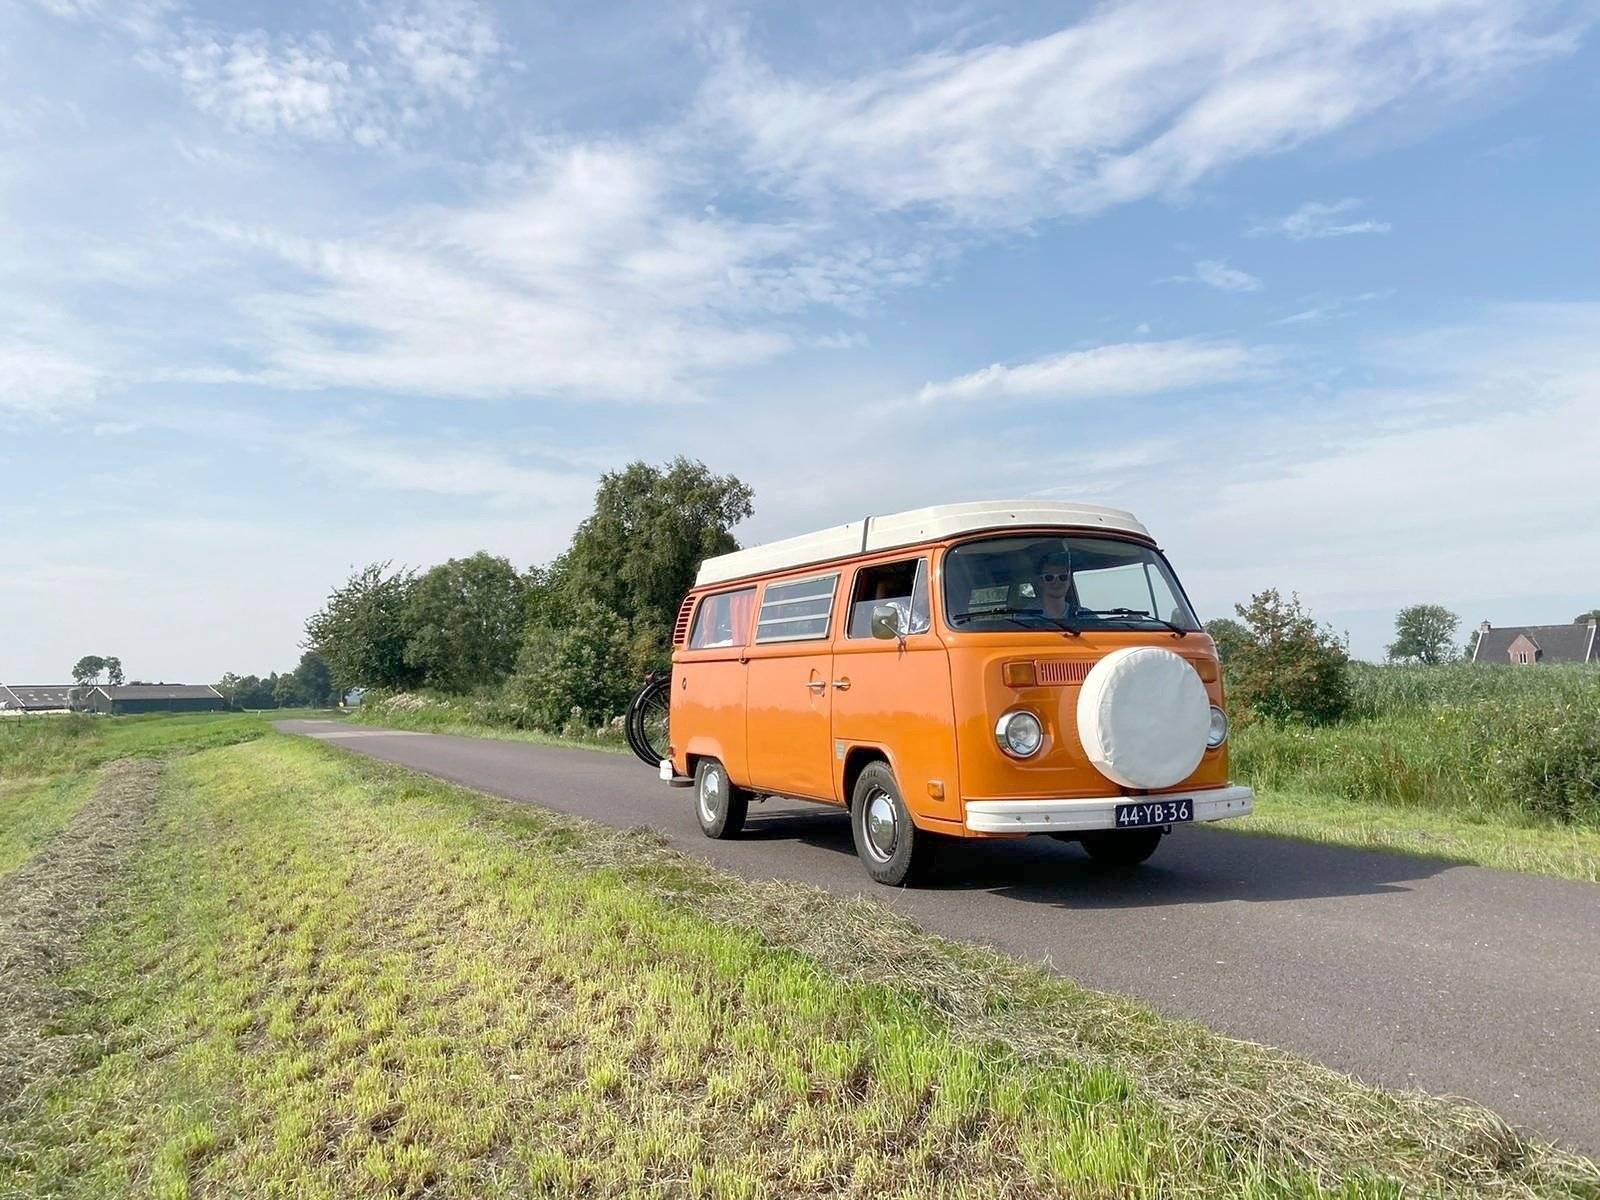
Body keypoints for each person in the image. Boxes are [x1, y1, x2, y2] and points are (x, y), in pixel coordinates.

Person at [1033, 549, 1077, 620]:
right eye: (1049, 577)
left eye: (1063, 577)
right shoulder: (1025, 617)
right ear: (1040, 582)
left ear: (1069, 581)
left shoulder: (1085, 616)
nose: (1056, 582)